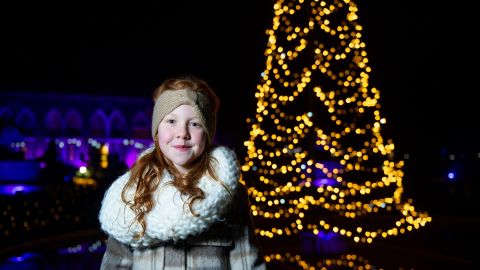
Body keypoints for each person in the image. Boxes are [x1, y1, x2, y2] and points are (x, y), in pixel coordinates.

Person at [98, 75, 266, 269]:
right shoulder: (131, 193)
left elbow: (248, 263)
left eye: (195, 123)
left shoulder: (228, 193)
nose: (182, 133)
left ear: (208, 133)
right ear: (157, 130)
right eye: (171, 121)